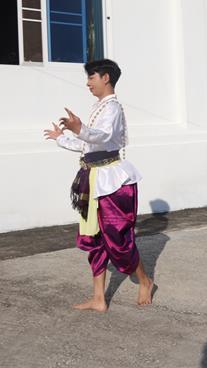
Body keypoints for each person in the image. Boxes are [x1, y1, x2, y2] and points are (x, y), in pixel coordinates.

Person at [44, 59, 153, 312]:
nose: (88, 82)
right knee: (93, 238)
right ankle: (98, 298)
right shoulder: (98, 107)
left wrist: (79, 128)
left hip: (113, 182)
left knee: (118, 239)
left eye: (92, 77)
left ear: (106, 78)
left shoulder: (112, 108)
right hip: (91, 179)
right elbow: (88, 146)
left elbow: (102, 136)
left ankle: (145, 280)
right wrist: (63, 137)